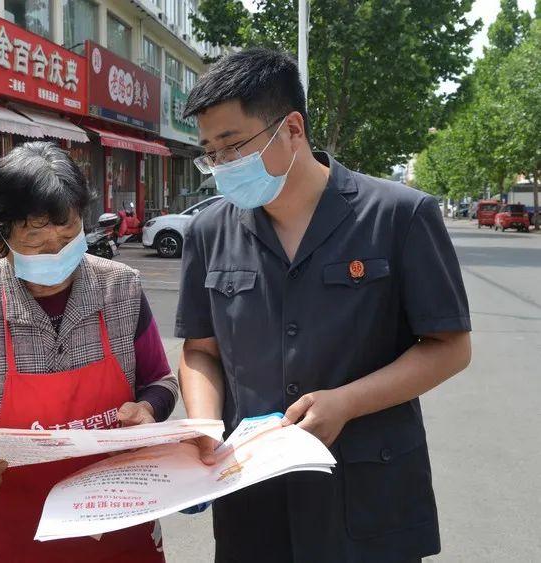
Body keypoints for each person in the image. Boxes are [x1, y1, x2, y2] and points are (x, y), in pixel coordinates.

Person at [176, 49, 471, 563]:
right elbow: (201, 351)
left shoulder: (399, 215)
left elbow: (449, 347)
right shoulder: (208, 232)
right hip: (252, 499)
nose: (221, 165)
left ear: (292, 129)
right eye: (209, 152)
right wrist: (205, 428)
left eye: (232, 145)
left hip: (367, 494)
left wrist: (347, 402)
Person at [0, 142, 176, 562]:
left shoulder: (121, 289)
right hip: (18, 530)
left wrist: (150, 409)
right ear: (1, 237)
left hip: (121, 521)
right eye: (35, 239)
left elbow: (160, 381)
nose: (56, 252)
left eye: (68, 235)